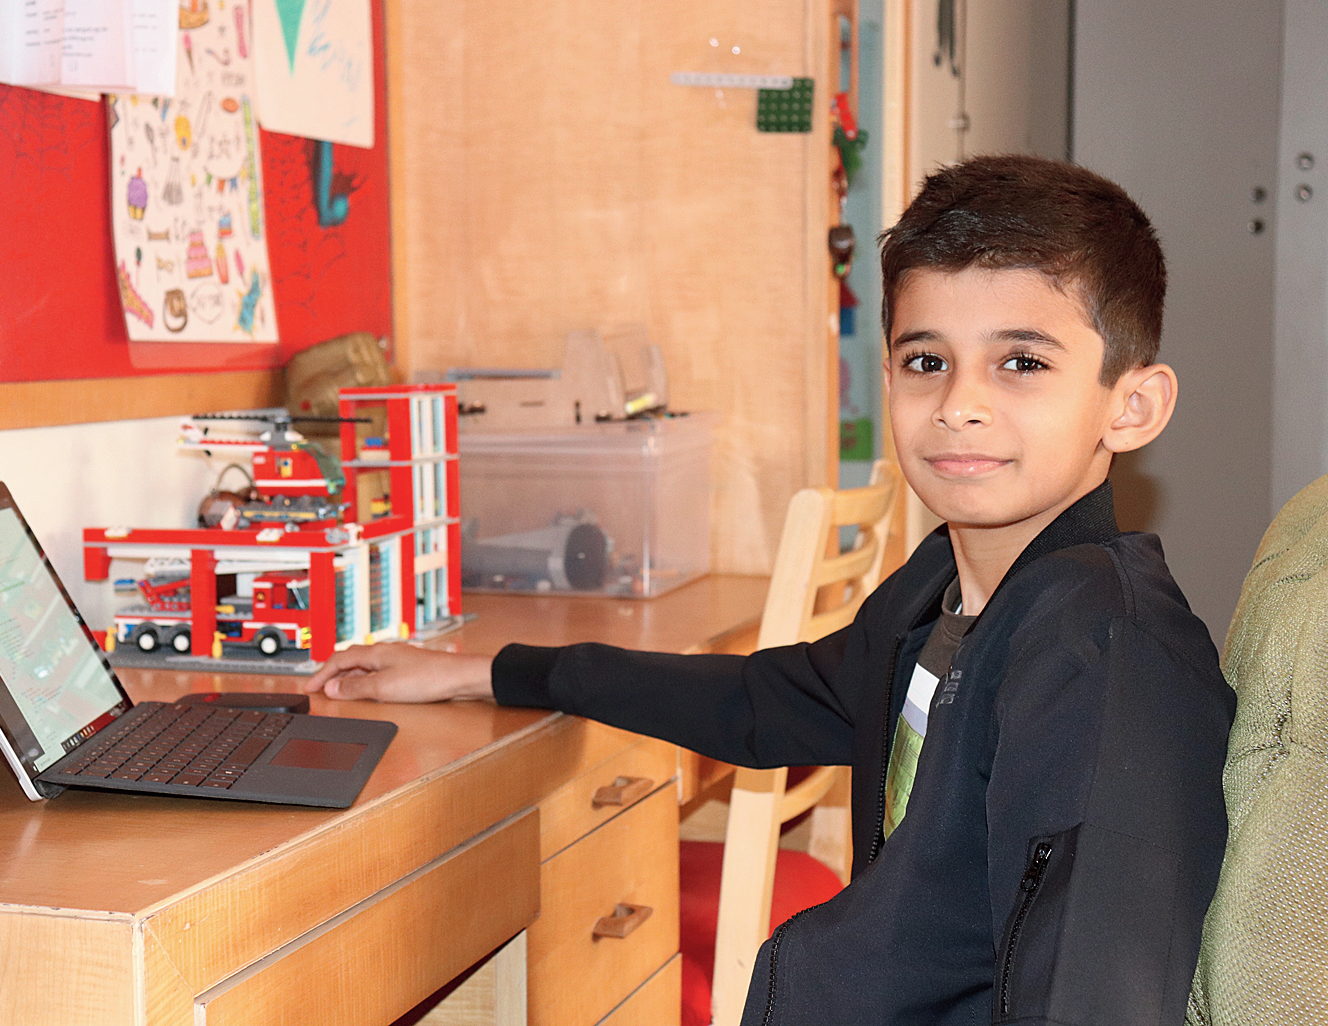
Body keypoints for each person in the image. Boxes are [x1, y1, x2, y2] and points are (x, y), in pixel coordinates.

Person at [304, 155, 1236, 1026]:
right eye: (926, 361)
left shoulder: (1105, 662)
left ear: (1132, 404)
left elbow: (1089, 992)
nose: (959, 401)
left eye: (1020, 363)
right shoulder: (941, 595)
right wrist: (494, 672)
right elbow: (763, 702)